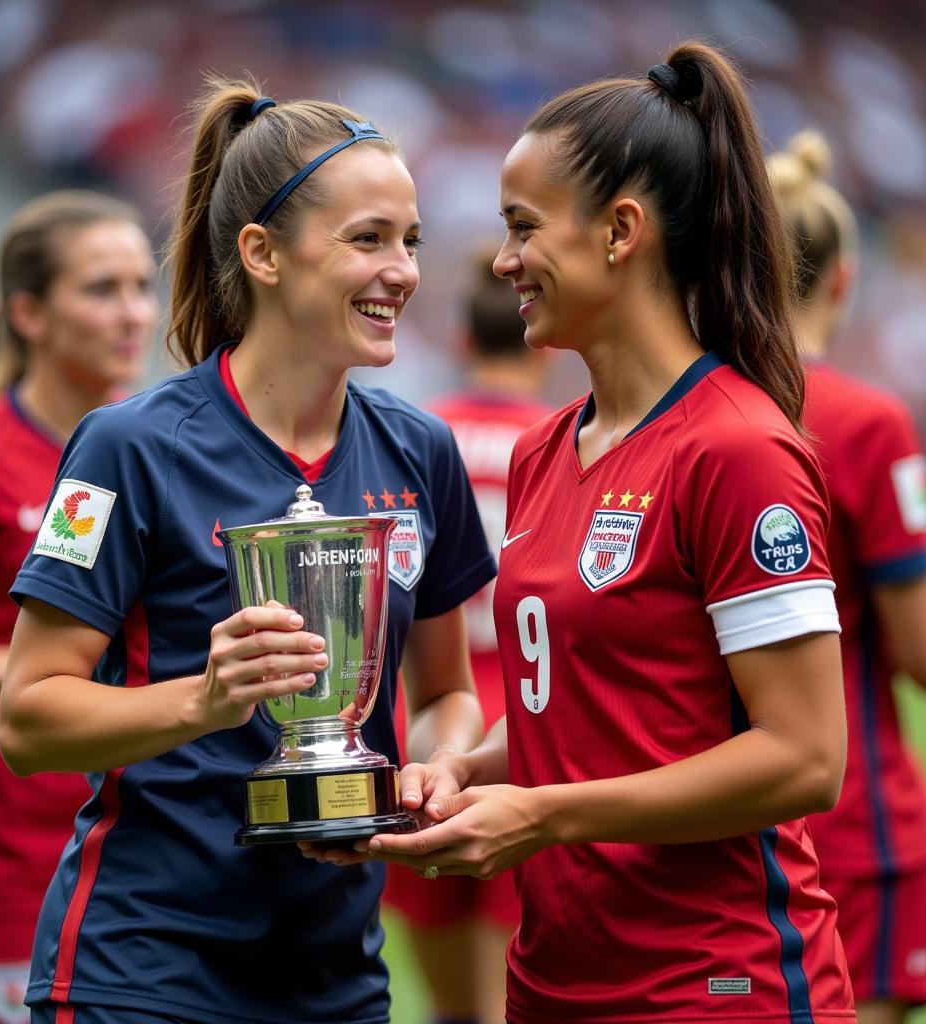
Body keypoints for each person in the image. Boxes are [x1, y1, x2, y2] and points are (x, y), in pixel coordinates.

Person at [305, 42, 857, 1023]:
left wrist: (545, 815)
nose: (503, 259)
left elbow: (803, 757)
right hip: (557, 977)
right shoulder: (543, 450)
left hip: (715, 984)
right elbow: (589, 716)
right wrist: (465, 774)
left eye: (522, 227)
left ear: (620, 231)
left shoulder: (735, 449)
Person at [0, 76, 494, 1024]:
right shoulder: (125, 447)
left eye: (410, 241)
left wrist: (442, 765)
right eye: (367, 239)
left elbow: (442, 695)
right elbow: (28, 720)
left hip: (338, 980)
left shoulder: (420, 452)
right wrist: (206, 700)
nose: (403, 271)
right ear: (261, 253)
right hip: (142, 971)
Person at [0, 191, 157, 1024]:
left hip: (142, 861)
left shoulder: (155, 452)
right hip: (8, 862)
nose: (133, 313)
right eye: (102, 289)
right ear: (29, 313)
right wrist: (30, 672)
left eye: (142, 286)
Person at [768, 131, 926, 1024]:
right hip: (854, 827)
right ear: (842, 280)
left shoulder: (683, 412)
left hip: (718, 834)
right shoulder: (866, 421)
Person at [384, 249, 551, 1024]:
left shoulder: (417, 436)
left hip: (416, 732)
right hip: (518, 731)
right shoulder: (563, 444)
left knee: (450, 1005)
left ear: (459, 337)